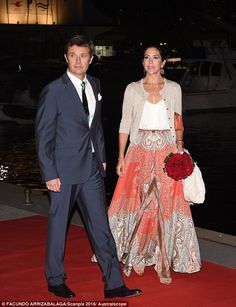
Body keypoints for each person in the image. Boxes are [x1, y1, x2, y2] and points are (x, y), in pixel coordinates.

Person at [35, 34, 141, 299]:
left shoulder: (94, 84)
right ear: (66, 58)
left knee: (101, 228)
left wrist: (102, 158)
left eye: (83, 55)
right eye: (73, 55)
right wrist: (50, 173)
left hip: (91, 169)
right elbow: (44, 135)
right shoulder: (54, 90)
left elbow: (95, 127)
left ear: (91, 59)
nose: (78, 60)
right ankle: (55, 279)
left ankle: (114, 284)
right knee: (59, 228)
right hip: (63, 172)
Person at [107, 43, 202, 284]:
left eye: (155, 57)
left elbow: (178, 120)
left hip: (166, 151)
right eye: (147, 58)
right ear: (142, 62)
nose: (151, 62)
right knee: (139, 203)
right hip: (138, 152)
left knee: (166, 205)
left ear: (163, 62)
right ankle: (137, 254)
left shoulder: (174, 88)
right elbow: (124, 124)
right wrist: (120, 157)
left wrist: (180, 148)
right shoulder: (132, 89)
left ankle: (164, 262)